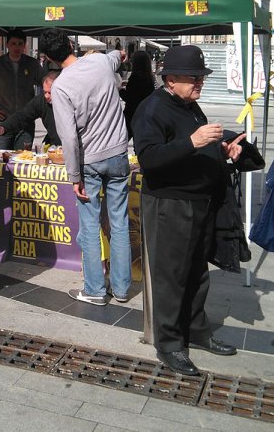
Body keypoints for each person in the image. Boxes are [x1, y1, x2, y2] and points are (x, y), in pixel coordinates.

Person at [131, 45, 243, 377]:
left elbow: (197, 146)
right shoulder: (151, 109)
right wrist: (192, 143)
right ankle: (169, 344)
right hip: (170, 204)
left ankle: (196, 329)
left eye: (201, 78)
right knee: (171, 277)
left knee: (197, 272)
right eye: (193, 78)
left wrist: (222, 150)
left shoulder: (190, 106)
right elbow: (149, 158)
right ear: (171, 79)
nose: (199, 83)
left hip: (198, 201)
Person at [39, 29, 132, 307]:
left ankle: (95, 289)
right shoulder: (101, 62)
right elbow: (119, 55)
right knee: (119, 222)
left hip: (89, 160)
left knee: (90, 225)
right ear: (70, 44)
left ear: (47, 58)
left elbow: (68, 136)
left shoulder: (61, 86)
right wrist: (119, 54)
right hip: (117, 153)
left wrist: (74, 176)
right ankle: (122, 288)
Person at [0, 29, 46, 149]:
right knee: (0, 161)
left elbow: (46, 83)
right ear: (7, 45)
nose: (17, 47)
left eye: (20, 44)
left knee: (23, 163)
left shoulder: (32, 64)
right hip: (1, 122)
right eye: (13, 43)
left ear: (25, 46)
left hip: (25, 124)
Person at [0, 71, 61, 147]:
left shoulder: (73, 101)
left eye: (50, 92)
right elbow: (23, 116)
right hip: (54, 147)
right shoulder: (41, 100)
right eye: (45, 92)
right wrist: (4, 127)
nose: (46, 96)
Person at [120, 50, 155, 138]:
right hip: (145, 115)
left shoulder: (135, 77)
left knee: (123, 139)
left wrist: (120, 90)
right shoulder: (149, 78)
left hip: (132, 114)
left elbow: (130, 98)